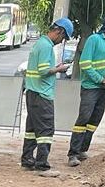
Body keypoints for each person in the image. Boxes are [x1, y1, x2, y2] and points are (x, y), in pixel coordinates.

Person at [68, 13, 105, 167]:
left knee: (95, 119)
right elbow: (85, 63)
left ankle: (83, 150)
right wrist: (100, 79)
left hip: (104, 89)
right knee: (84, 118)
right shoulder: (94, 40)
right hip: (91, 87)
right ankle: (73, 153)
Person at [22, 18, 74, 174]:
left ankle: (27, 159)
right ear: (60, 31)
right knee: (46, 130)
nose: (61, 41)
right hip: (42, 94)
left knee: (32, 129)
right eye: (63, 38)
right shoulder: (46, 46)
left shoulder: (40, 43)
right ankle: (42, 165)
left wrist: (54, 68)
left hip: (32, 92)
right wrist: (60, 69)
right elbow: (44, 71)